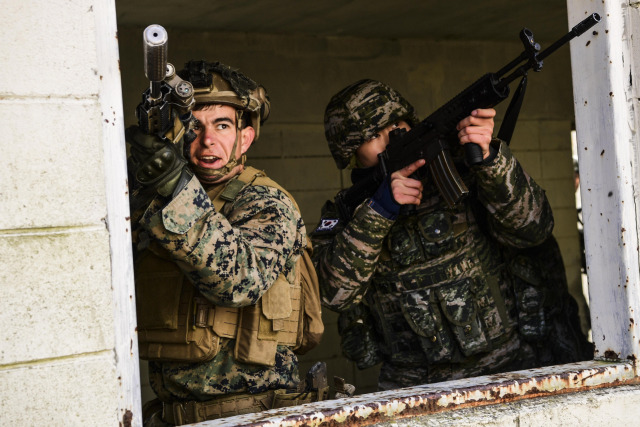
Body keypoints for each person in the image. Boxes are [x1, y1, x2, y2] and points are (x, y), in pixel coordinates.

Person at [310, 79, 591, 390]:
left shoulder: (463, 170)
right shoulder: (346, 213)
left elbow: (534, 228)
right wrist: (379, 210)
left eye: (396, 122)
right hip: (413, 386)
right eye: (373, 136)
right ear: (350, 154)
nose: (392, 136)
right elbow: (334, 294)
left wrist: (490, 160)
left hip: (506, 368)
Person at [127, 60, 323, 426]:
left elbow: (241, 280)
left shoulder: (267, 202)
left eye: (222, 125)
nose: (207, 141)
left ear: (245, 136)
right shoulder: (159, 201)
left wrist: (174, 187)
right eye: (193, 127)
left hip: (250, 414)